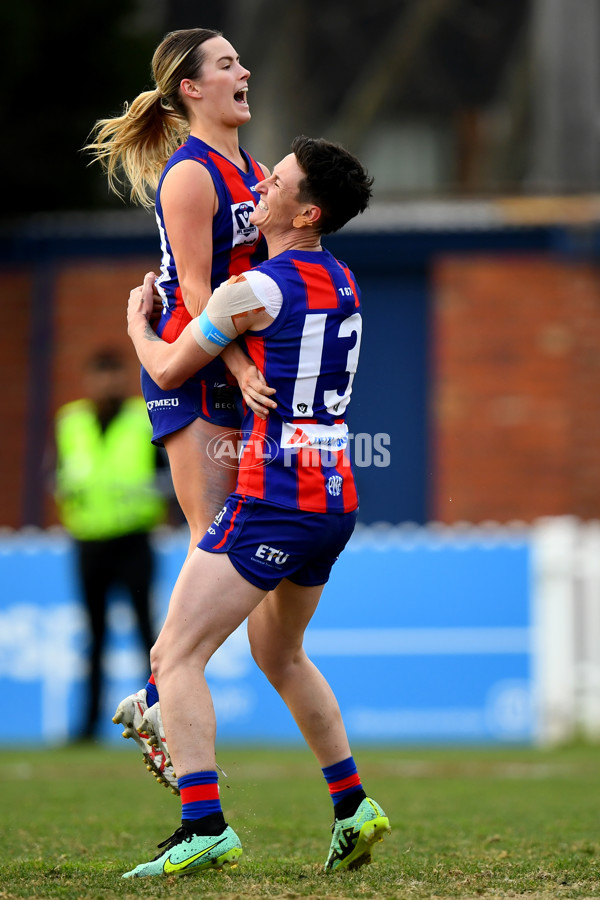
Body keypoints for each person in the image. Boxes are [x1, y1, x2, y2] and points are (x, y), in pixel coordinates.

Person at [121, 135, 390, 877]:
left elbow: (172, 365)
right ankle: (353, 806)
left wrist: (140, 322)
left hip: (278, 493)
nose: (258, 189)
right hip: (334, 491)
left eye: (274, 181)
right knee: (280, 652)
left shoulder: (257, 289)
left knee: (174, 655)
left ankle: (202, 823)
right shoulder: (341, 277)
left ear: (304, 210)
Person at [85, 28, 276, 779]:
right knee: (212, 541)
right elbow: (198, 293)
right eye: (227, 64)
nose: (244, 70)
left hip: (224, 369)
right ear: (191, 89)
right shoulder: (190, 174)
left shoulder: (253, 169)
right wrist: (232, 359)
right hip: (190, 370)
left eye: (239, 60)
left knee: (228, 549)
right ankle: (161, 690)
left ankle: (155, 691)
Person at [53, 349, 168, 740]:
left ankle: (160, 718)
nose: (108, 384)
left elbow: (167, 477)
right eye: (101, 376)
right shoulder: (71, 422)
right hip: (89, 541)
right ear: (89, 380)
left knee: (147, 636)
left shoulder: (142, 418)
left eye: (114, 375)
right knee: (95, 636)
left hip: (134, 539)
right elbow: (55, 474)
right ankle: (88, 727)